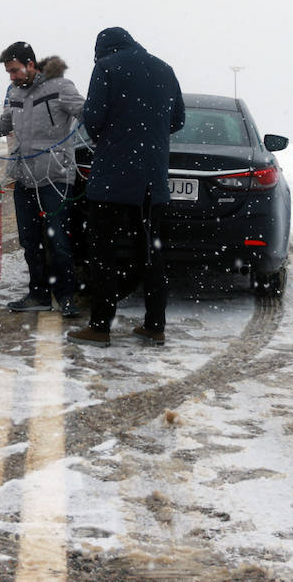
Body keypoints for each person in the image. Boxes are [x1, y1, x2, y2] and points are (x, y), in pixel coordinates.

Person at [68, 27, 185, 347]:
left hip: (113, 181)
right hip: (153, 181)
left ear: (101, 50)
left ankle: (100, 326)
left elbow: (92, 121)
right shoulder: (165, 69)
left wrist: (116, 129)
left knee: (103, 253)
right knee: (152, 254)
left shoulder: (106, 67)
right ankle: (154, 325)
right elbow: (177, 121)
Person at [0, 42, 85, 317]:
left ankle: (66, 296)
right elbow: (1, 125)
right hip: (24, 177)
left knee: (59, 241)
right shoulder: (15, 93)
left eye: (15, 70)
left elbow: (87, 115)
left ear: (31, 65)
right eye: (8, 72)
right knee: (30, 241)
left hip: (55, 178)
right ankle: (38, 294)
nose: (12, 77)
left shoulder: (61, 87)